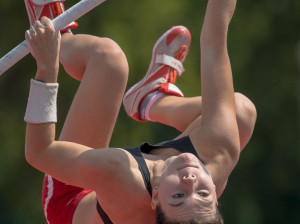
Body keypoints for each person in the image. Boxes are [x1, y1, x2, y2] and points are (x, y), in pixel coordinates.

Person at [24, 0, 256, 224]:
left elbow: (40, 152)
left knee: (108, 58)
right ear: (216, 194)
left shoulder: (120, 176)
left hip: (70, 198)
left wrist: (46, 67)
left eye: (178, 197)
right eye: (203, 195)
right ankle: (151, 99)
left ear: (155, 197)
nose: (190, 180)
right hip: (117, 183)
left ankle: (54, 32)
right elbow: (215, 41)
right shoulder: (220, 152)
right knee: (240, 112)